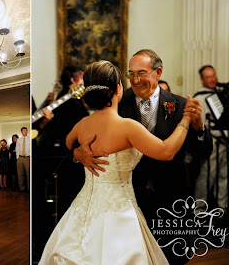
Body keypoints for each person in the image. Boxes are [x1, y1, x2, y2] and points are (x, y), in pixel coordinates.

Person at [40, 60, 194, 264]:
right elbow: (166, 151)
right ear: (118, 88)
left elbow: (68, 144)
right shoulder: (128, 127)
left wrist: (78, 153)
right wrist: (186, 119)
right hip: (119, 212)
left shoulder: (83, 124)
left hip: (84, 207)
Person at [73, 50, 208, 265]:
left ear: (158, 72)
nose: (135, 80)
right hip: (130, 202)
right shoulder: (116, 101)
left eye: (142, 73)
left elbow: (203, 152)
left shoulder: (180, 105)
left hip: (171, 199)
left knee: (173, 258)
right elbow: (79, 139)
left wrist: (199, 126)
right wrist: (77, 153)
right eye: (131, 74)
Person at [194, 65, 227, 210]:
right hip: (212, 143)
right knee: (207, 176)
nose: (213, 79)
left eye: (214, 75)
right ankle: (199, 209)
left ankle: (222, 207)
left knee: (224, 176)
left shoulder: (221, 94)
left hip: (225, 143)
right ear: (202, 80)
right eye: (208, 77)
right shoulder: (199, 98)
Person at [16, 127, 30, 192]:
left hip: (28, 158)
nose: (25, 131)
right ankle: (22, 188)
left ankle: (29, 189)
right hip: (20, 158)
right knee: (20, 174)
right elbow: (17, 148)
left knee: (28, 174)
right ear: (21, 132)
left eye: (26, 130)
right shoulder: (19, 140)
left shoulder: (30, 138)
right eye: (24, 130)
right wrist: (17, 157)